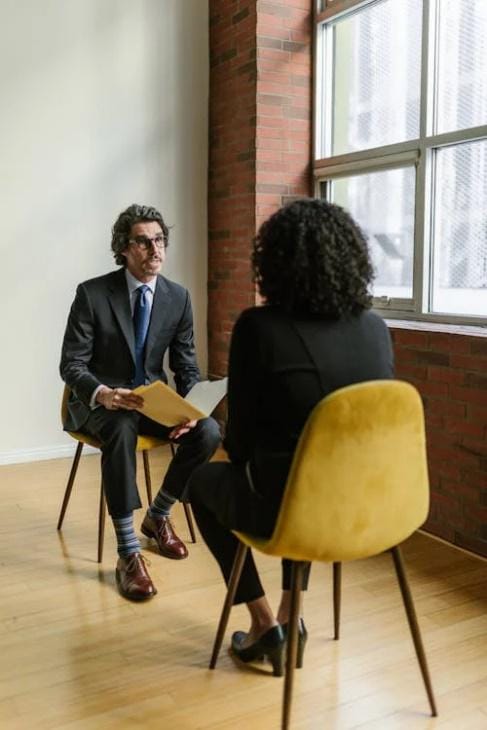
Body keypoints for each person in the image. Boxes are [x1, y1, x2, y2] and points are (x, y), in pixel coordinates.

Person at [188, 198, 394, 675]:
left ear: (274, 261)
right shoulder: (376, 329)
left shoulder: (258, 328)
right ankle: (290, 613)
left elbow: (238, 445)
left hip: (295, 508)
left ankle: (265, 624)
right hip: (373, 507)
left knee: (206, 483)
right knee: (302, 475)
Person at [60, 204, 220, 601]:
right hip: (101, 405)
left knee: (210, 431)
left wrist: (189, 410)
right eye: (144, 242)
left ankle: (159, 515)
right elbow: (71, 364)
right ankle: (128, 551)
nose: (155, 249)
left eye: (160, 240)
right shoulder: (93, 294)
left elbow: (185, 367)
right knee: (120, 425)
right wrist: (104, 394)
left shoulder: (177, 298)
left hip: (152, 402)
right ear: (124, 248)